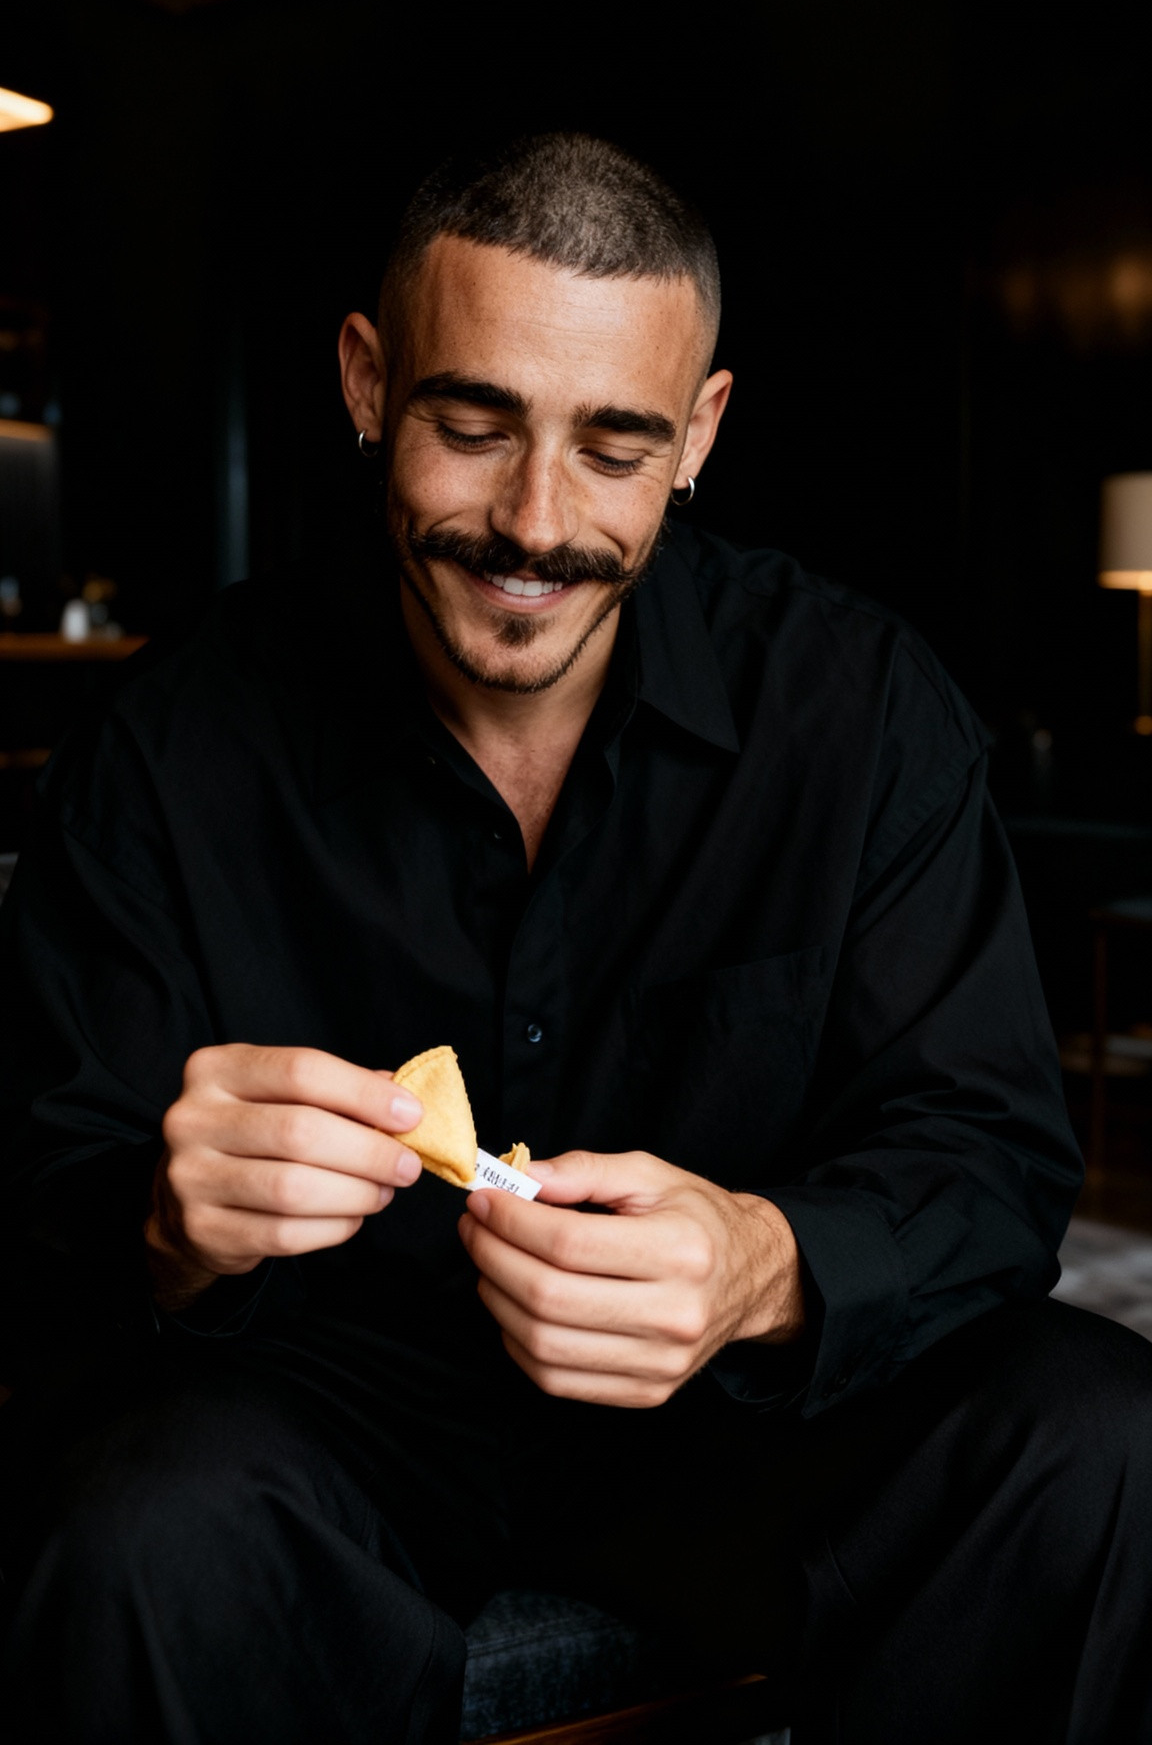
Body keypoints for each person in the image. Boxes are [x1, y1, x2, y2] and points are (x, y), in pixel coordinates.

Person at [0, 133, 1149, 1745]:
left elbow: (988, 1155)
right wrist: (165, 1223)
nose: (535, 524)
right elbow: (40, 1222)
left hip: (736, 1428)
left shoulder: (861, 711)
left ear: (701, 435)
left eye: (615, 447)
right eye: (473, 427)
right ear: (366, 382)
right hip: (328, 1421)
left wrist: (762, 1266)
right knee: (136, 1536)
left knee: (1103, 1436)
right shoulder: (167, 747)